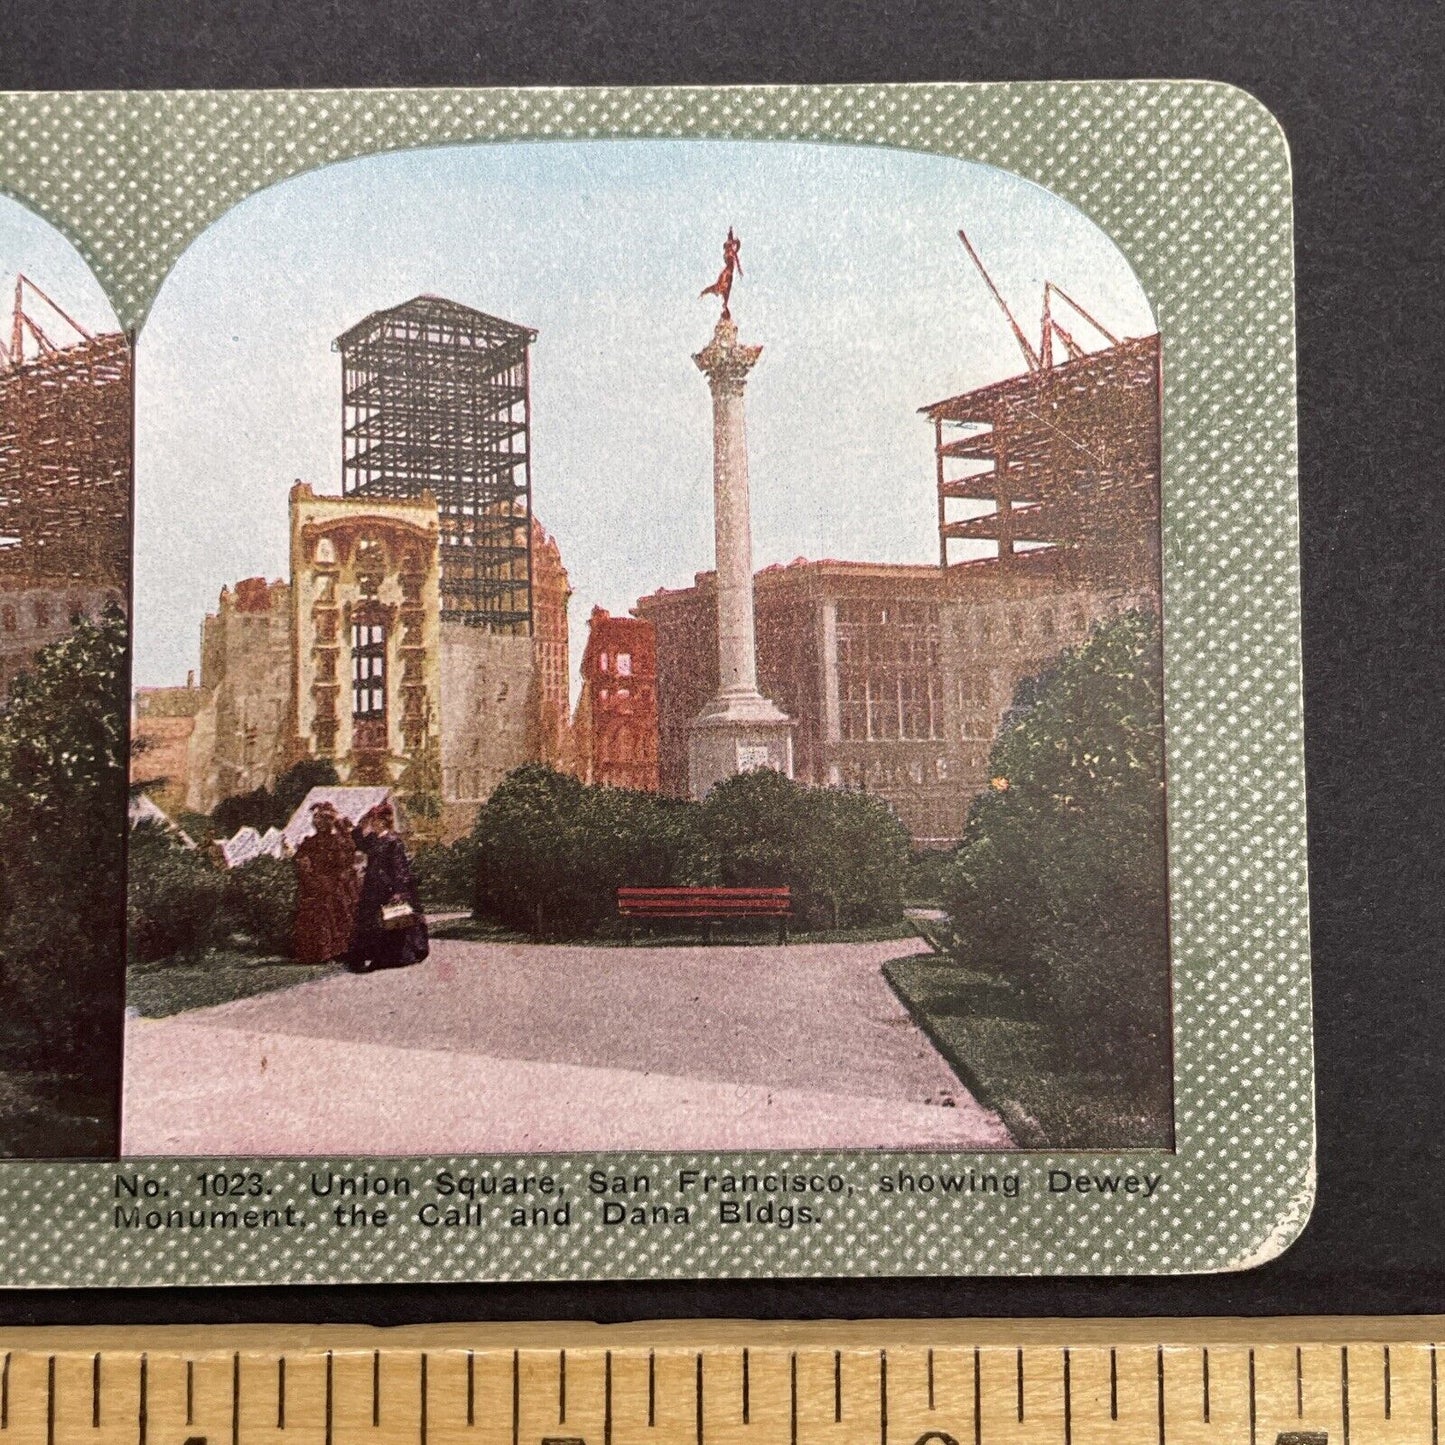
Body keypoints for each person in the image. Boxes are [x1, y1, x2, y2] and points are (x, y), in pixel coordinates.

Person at [345, 800, 429, 973]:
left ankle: (389, 957)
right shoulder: (374, 839)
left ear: (382, 822)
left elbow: (399, 867)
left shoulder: (393, 841)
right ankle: (368, 957)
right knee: (370, 921)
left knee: (390, 922)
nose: (372, 824)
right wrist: (358, 825)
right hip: (372, 886)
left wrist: (399, 890)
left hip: (387, 887)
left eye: (374, 820)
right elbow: (357, 841)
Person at [292, 802, 361, 965]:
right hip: (317, 886)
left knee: (338, 917)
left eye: (322, 819)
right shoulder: (311, 842)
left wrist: (341, 826)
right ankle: (322, 953)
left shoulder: (338, 841)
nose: (318, 823)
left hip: (335, 886)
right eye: (316, 819)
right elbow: (300, 860)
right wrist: (307, 871)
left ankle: (337, 952)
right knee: (322, 919)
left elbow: (348, 857)